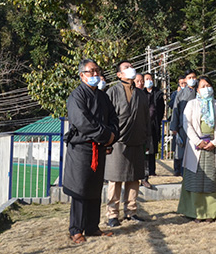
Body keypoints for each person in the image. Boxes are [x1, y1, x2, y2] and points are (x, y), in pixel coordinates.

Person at [63, 59, 119, 243]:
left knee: (95, 188)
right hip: (81, 147)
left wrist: (112, 135)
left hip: (100, 147)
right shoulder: (76, 96)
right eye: (91, 71)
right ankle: (76, 229)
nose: (95, 75)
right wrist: (105, 135)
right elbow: (82, 122)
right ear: (82, 75)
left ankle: (92, 227)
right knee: (80, 188)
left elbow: (113, 118)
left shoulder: (103, 96)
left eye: (97, 71)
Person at [104, 60, 151, 227]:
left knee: (134, 179)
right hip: (117, 142)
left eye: (132, 67)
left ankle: (131, 211)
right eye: (126, 68)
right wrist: (108, 141)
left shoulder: (141, 94)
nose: (131, 69)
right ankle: (112, 214)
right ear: (119, 74)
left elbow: (147, 120)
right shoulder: (112, 92)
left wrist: (147, 140)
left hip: (137, 141)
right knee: (115, 179)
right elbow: (107, 118)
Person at [177, 75, 216, 222]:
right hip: (196, 147)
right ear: (197, 90)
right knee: (195, 180)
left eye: (208, 86)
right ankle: (195, 212)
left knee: (212, 180)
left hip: (213, 146)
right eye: (203, 86)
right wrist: (197, 141)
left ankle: (211, 213)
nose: (206, 89)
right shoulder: (191, 104)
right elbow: (187, 124)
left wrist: (215, 142)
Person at [170, 69, 198, 176]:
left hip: (197, 126)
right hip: (183, 126)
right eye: (189, 78)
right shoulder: (180, 94)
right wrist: (174, 128)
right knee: (182, 151)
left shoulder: (199, 92)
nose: (192, 80)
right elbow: (175, 110)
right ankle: (182, 172)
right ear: (186, 80)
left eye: (194, 77)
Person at [141, 72, 165, 189]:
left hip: (154, 125)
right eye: (146, 79)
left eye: (150, 79)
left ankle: (151, 170)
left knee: (153, 148)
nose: (148, 81)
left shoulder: (158, 93)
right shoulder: (140, 93)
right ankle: (143, 174)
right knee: (144, 150)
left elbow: (161, 110)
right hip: (143, 126)